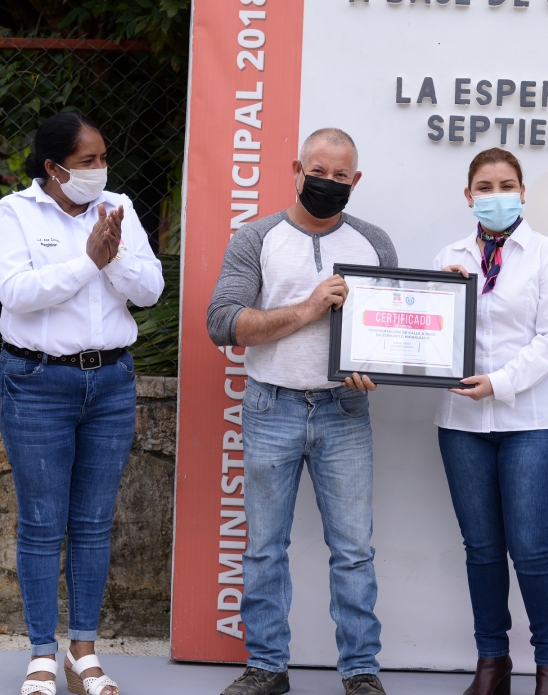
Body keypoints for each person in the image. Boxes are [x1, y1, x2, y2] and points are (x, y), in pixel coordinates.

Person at [207, 128, 397, 695]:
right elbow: (223, 322)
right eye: (318, 172)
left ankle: (361, 671)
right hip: (272, 406)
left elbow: (390, 328)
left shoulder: (374, 242)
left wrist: (378, 367)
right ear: (296, 170)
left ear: (355, 181)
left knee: (354, 551)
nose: (328, 183)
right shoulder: (257, 237)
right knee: (264, 548)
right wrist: (310, 307)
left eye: (341, 176)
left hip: (345, 410)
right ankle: (267, 666)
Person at [0, 111, 164, 695]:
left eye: (103, 158)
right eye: (88, 161)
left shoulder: (118, 207)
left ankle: (83, 652)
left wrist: (113, 256)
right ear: (54, 167)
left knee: (92, 524)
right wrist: (88, 260)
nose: (100, 169)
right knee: (42, 524)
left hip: (110, 383)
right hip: (37, 381)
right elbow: (17, 293)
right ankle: (42, 653)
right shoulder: (15, 213)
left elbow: (151, 289)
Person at [434, 148, 548, 695]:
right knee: (482, 550)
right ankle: (492, 665)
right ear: (468, 195)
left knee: (531, 548)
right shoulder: (449, 257)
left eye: (507, 185)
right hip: (463, 422)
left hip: (535, 420)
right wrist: (442, 293)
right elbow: (428, 334)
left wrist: (499, 382)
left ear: (523, 192)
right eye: (485, 187)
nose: (496, 195)